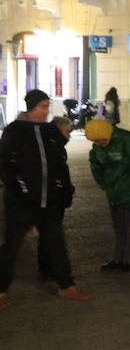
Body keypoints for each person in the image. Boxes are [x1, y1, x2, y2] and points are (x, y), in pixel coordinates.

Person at [0, 90, 89, 308]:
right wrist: (20, 190)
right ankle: (1, 289)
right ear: (31, 107)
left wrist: (63, 189)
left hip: (48, 201)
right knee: (11, 246)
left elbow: (60, 162)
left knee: (57, 244)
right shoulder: (15, 130)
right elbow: (6, 166)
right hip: (21, 203)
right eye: (42, 106)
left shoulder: (50, 131)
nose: (46, 111)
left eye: (48, 106)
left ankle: (67, 286)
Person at [85, 118, 130, 273]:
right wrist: (105, 185)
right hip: (113, 191)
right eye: (96, 142)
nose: (100, 144)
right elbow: (96, 166)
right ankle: (118, 258)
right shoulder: (98, 146)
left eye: (102, 141)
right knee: (119, 225)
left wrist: (124, 187)